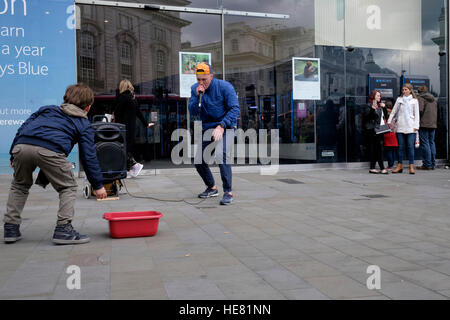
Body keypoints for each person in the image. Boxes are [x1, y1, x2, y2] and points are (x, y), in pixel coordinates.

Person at [3, 84, 107, 245]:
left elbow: (22, 128)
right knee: (68, 186)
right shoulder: (83, 123)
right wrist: (98, 184)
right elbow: (89, 156)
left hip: (21, 147)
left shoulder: (47, 109)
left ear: (66, 99)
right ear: (88, 107)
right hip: (49, 150)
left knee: (19, 185)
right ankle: (63, 230)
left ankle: (10, 228)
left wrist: (12, 154)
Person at [188, 62, 240, 205]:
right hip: (208, 127)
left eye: (204, 79)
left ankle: (228, 192)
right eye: (198, 79)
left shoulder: (224, 87)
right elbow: (192, 111)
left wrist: (222, 125)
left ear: (211, 76)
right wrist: (199, 96)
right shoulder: (195, 89)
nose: (201, 82)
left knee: (220, 153)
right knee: (199, 160)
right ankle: (212, 187)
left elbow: (235, 109)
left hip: (227, 125)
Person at [113, 79, 154, 177]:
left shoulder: (121, 97)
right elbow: (138, 113)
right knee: (127, 148)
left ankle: (134, 165)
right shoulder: (133, 98)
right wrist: (146, 124)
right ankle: (128, 170)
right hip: (131, 128)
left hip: (121, 127)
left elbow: (117, 113)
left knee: (121, 148)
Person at [387, 83, 420, 174]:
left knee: (410, 147)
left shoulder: (414, 101)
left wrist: (416, 126)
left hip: (411, 126)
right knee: (400, 147)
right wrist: (389, 122)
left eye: (406, 89)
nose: (404, 91)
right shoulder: (399, 99)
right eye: (403, 90)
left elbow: (417, 115)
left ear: (410, 90)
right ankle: (400, 165)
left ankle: (411, 166)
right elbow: (393, 111)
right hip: (401, 126)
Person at [363, 90, 388, 174]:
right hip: (372, 130)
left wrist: (384, 108)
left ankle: (374, 167)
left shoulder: (380, 106)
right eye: (377, 96)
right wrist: (372, 109)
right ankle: (380, 167)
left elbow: (385, 117)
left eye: (380, 96)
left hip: (380, 129)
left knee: (378, 148)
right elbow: (366, 117)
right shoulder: (368, 105)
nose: (379, 97)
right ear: (373, 96)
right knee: (376, 149)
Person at [416, 86, 437, 170]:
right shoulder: (433, 99)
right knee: (431, 142)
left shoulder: (421, 98)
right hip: (433, 124)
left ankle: (427, 164)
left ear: (419, 91)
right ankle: (433, 164)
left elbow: (420, 110)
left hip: (424, 124)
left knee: (425, 143)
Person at [383, 100, 398, 170]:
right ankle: (392, 164)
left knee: (389, 151)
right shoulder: (394, 113)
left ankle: (390, 165)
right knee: (393, 151)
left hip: (387, 134)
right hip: (394, 134)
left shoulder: (385, 113)